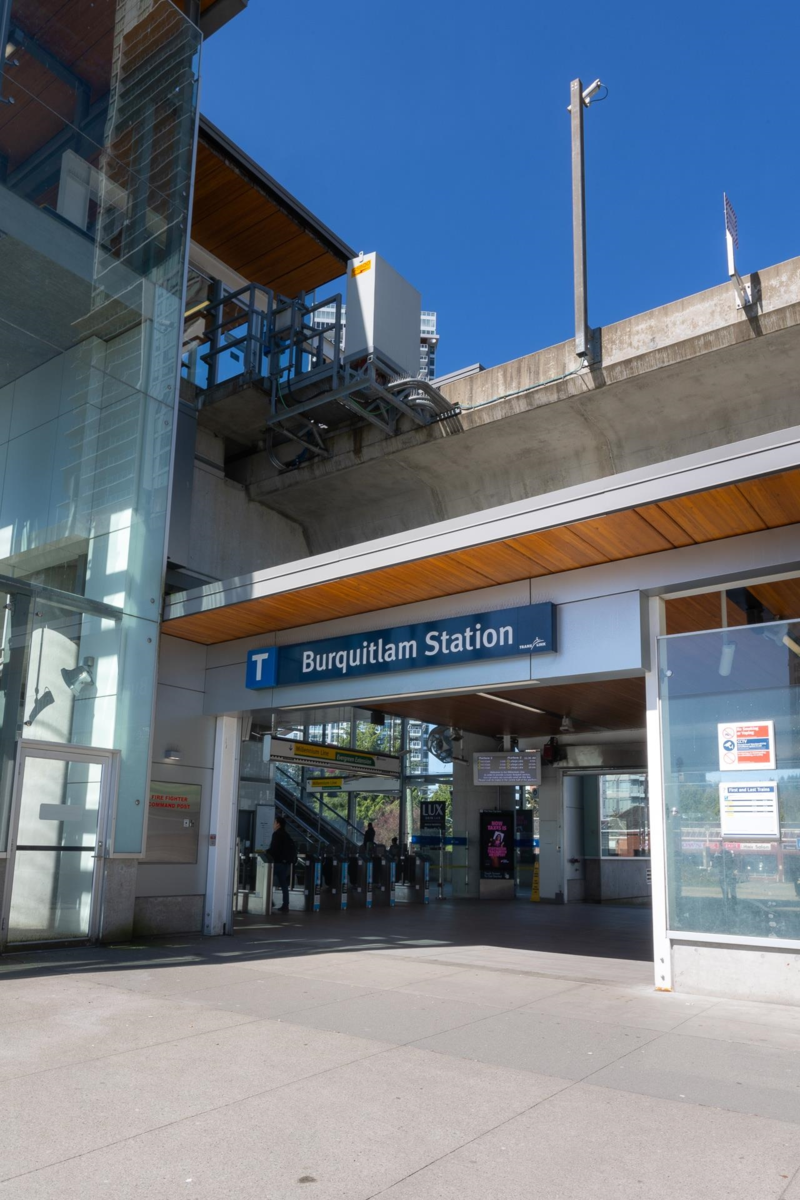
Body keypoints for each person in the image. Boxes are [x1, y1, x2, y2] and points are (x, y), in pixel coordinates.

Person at [267, 815, 296, 913]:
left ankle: (268, 901)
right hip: (285, 863)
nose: (273, 825)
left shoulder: (276, 834)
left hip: (276, 863)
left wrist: (266, 852)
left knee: (267, 882)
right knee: (284, 885)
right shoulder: (287, 835)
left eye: (274, 823)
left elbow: (274, 849)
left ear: (278, 824)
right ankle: (285, 905)